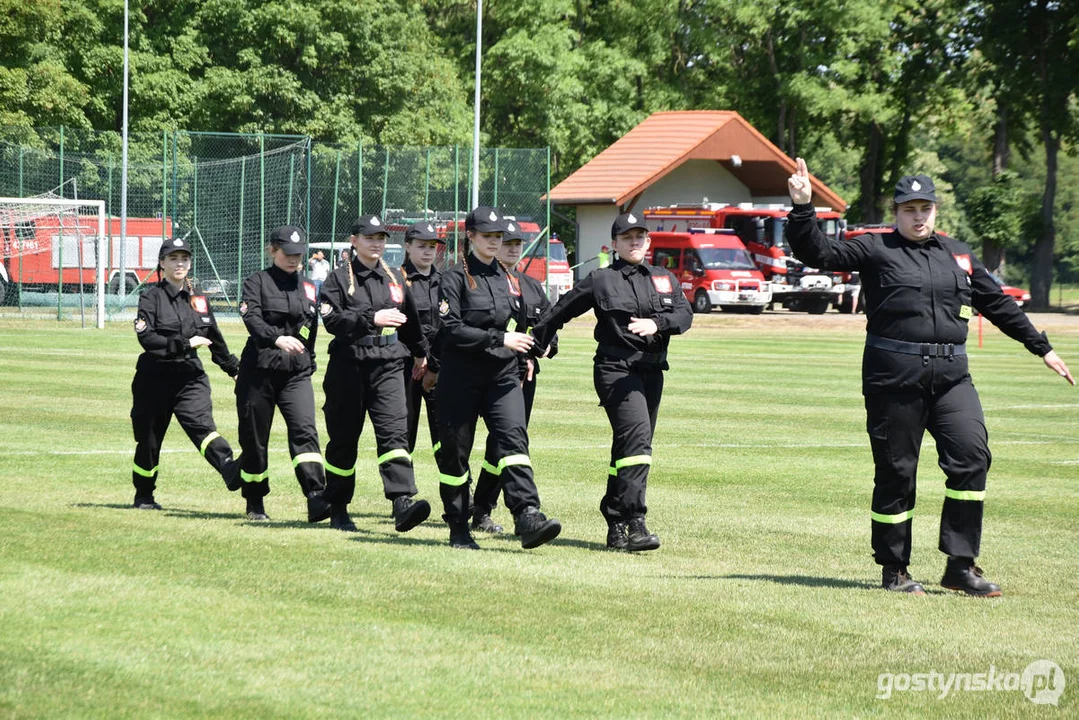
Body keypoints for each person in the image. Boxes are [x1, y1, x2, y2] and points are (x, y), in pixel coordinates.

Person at [785, 158, 1074, 596]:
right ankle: (894, 569)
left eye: (925, 208)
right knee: (897, 473)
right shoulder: (875, 247)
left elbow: (998, 304)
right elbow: (818, 253)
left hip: (953, 379)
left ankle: (960, 565)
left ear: (935, 210)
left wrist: (1042, 347)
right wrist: (804, 208)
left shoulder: (956, 253)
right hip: (894, 380)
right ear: (897, 212)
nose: (918, 216)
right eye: (909, 209)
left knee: (972, 458)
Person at [530, 213, 693, 551]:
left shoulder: (663, 278)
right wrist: (538, 343)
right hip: (615, 370)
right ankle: (635, 522)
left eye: (640, 237)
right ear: (614, 244)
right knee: (638, 440)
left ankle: (614, 519)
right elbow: (561, 309)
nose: (635, 242)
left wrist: (657, 324)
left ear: (648, 242)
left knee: (628, 447)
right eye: (628, 237)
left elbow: (684, 314)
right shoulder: (601, 279)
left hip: (652, 371)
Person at [434, 206, 562, 550]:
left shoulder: (509, 280)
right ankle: (458, 526)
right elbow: (451, 330)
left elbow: (529, 320)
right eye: (487, 236)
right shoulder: (452, 279)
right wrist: (499, 338)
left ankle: (527, 514)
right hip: (461, 377)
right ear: (470, 236)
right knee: (456, 456)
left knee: (513, 442)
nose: (494, 242)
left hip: (503, 375)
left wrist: (536, 348)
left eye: (497, 237)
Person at [318, 215, 433, 533]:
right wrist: (372, 318)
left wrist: (423, 353)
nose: (377, 242)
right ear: (354, 240)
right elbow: (333, 321)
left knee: (395, 435)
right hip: (349, 365)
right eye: (369, 237)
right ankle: (339, 507)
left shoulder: (396, 277)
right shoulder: (338, 279)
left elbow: (410, 322)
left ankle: (402, 502)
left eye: (381, 237)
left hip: (389, 364)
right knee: (343, 439)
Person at [129, 238, 242, 509]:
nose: (180, 264)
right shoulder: (150, 297)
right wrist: (183, 343)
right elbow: (147, 339)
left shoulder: (198, 299)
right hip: (154, 378)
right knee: (150, 440)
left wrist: (234, 369)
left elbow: (213, 335)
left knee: (202, 425)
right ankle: (144, 494)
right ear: (162, 263)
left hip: (190, 376)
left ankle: (228, 467)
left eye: (184, 259)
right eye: (173, 259)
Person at [235, 226, 331, 522]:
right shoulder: (256, 282)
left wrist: (310, 357)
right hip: (259, 370)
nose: (294, 259)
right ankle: (255, 501)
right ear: (272, 250)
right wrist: (276, 338)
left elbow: (310, 326)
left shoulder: (309, 287)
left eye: (299, 255)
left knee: (305, 431)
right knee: (255, 438)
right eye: (287, 254)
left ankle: (316, 497)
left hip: (295, 373)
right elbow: (251, 317)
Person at [471, 219, 559, 533]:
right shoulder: (478, 281)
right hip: (480, 370)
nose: (512, 249)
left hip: (522, 377)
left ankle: (485, 509)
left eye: (517, 244)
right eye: (506, 242)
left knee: (505, 444)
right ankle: (467, 505)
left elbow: (549, 330)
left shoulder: (533, 287)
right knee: (465, 444)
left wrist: (543, 350)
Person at [400, 220, 444, 465]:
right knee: (404, 433)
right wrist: (419, 356)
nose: (428, 251)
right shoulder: (397, 280)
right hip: (407, 367)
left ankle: (460, 495)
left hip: (439, 367)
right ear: (408, 246)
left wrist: (433, 362)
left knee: (447, 433)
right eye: (421, 246)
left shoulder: (446, 281)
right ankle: (404, 494)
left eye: (432, 246)